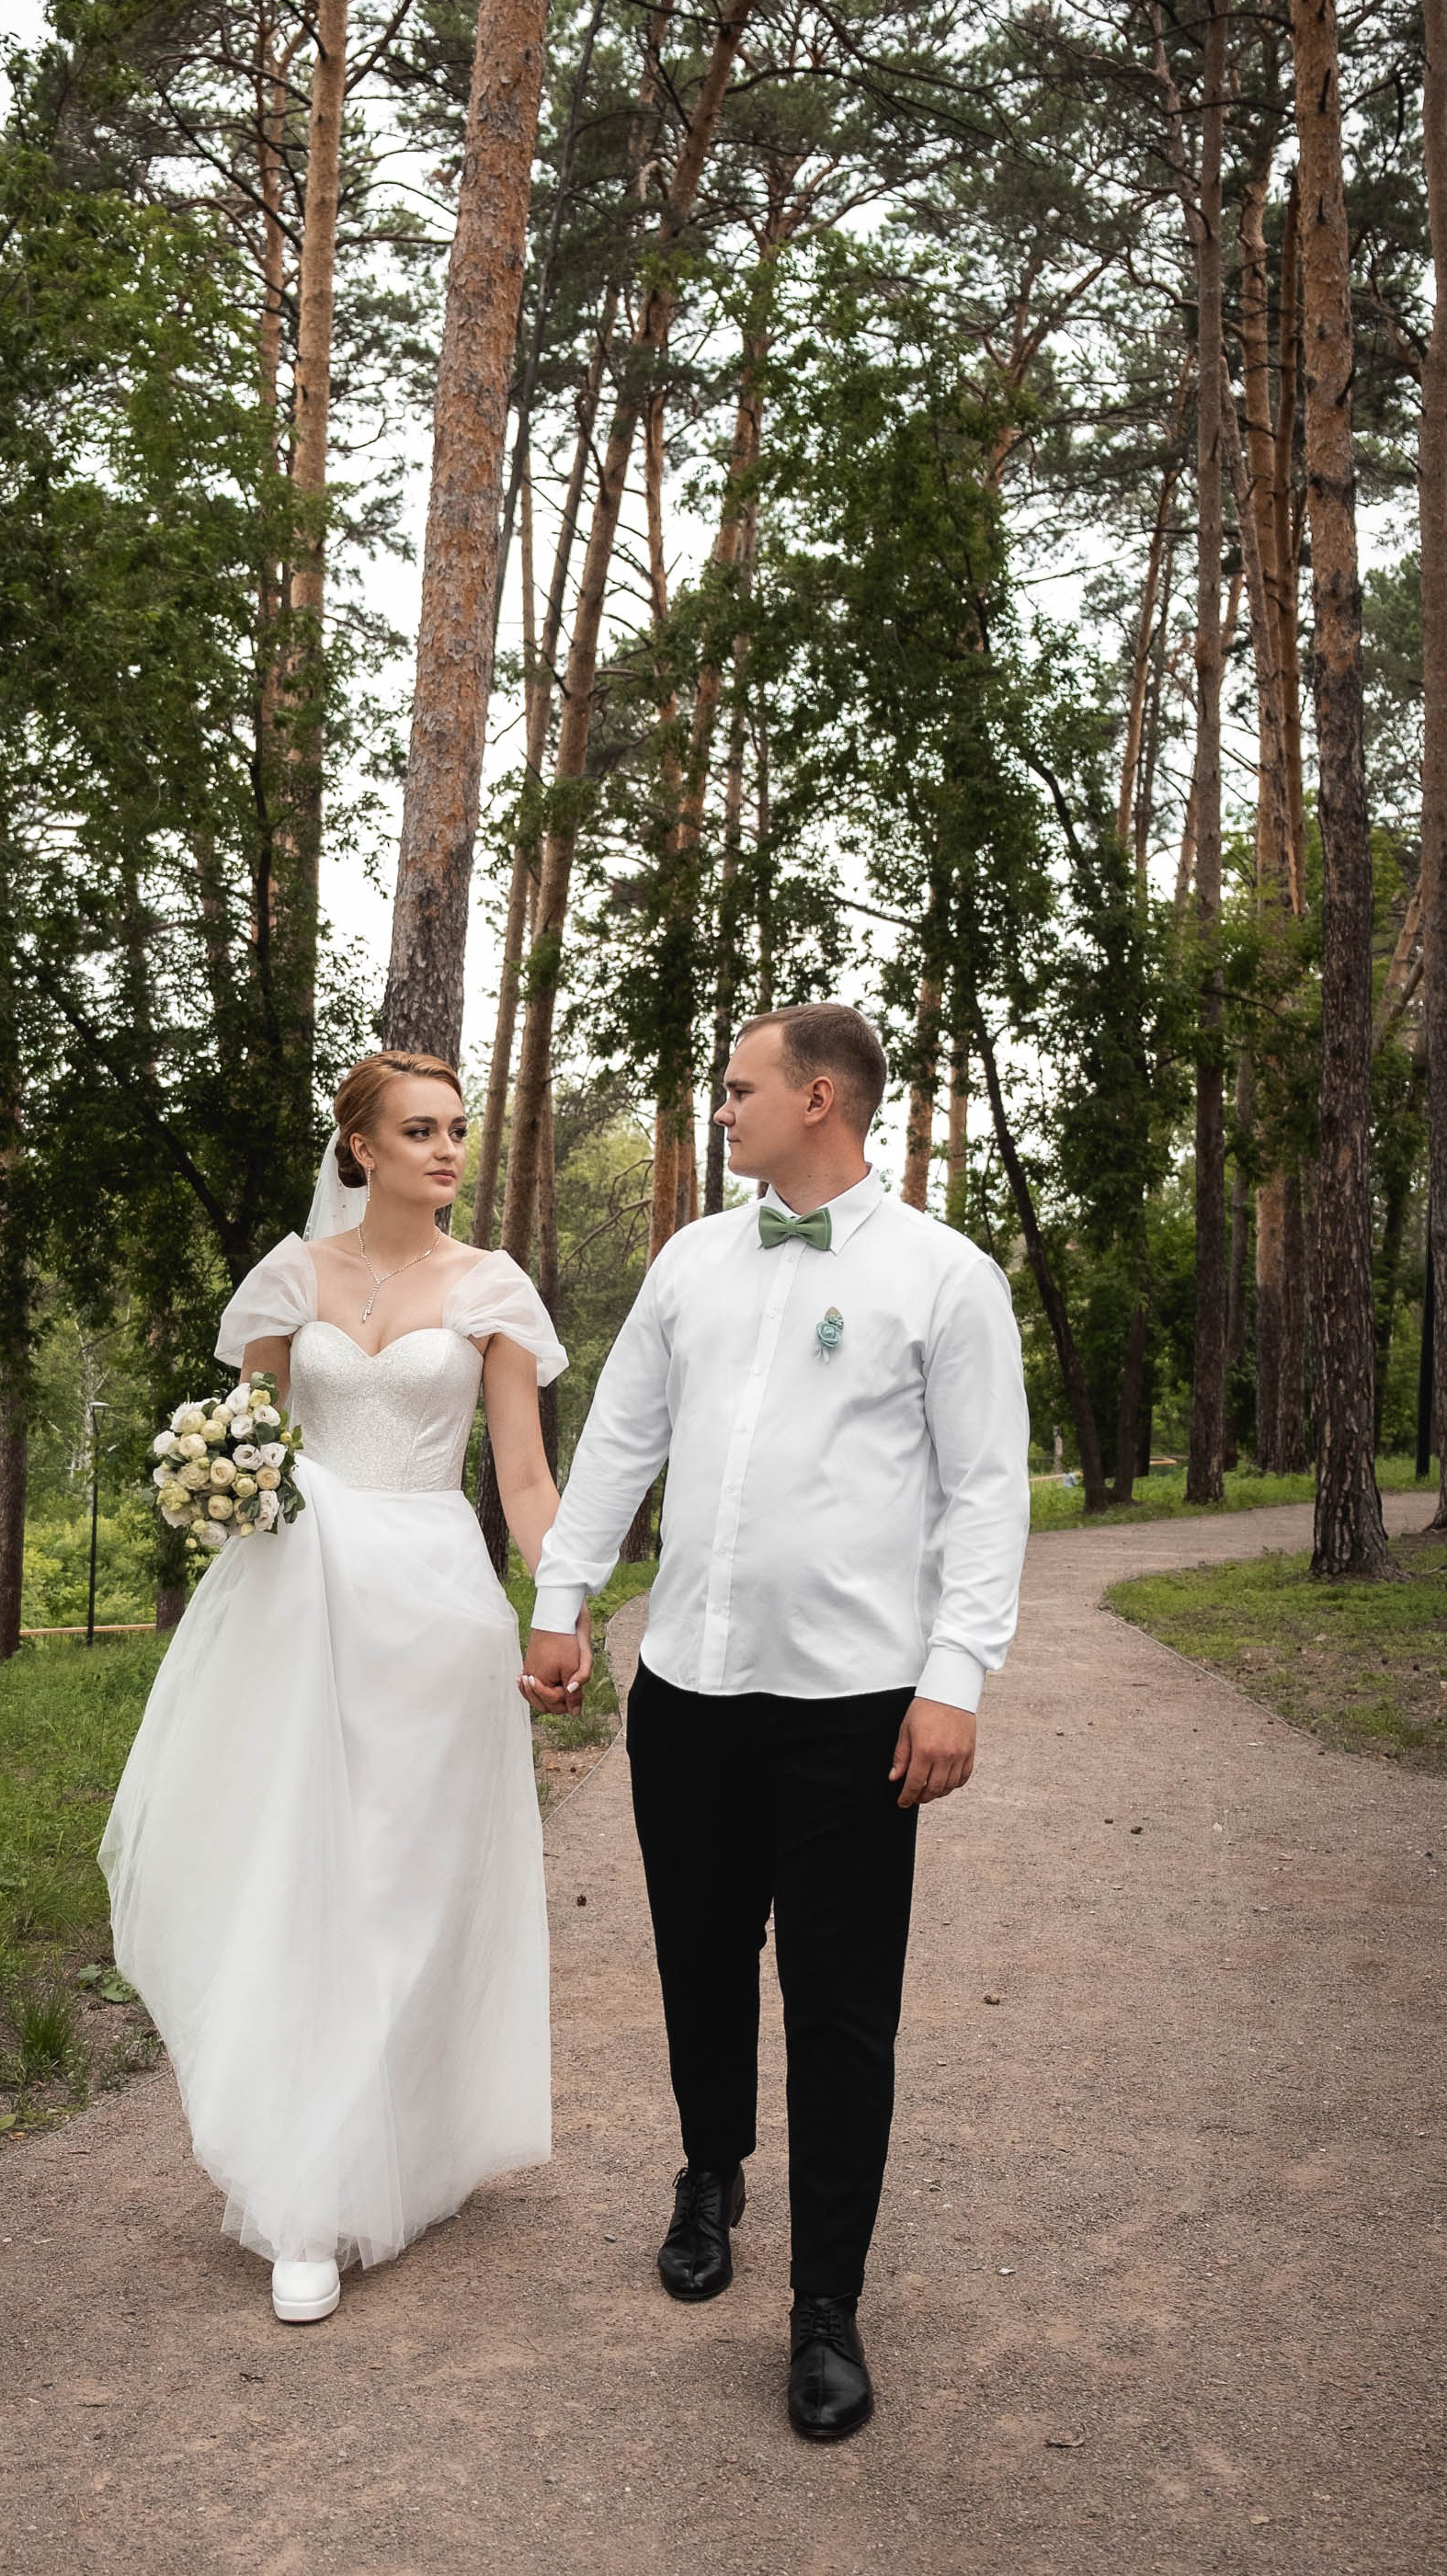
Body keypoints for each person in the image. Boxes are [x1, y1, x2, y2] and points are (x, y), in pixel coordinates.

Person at [522, 1003, 1029, 2441]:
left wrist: (956, 1679)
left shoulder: (945, 1276)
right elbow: (620, 1438)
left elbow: (989, 1490)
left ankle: (826, 2305)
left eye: (737, 1087)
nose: (719, 1106)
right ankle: (708, 2167)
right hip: (687, 1682)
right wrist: (566, 1603)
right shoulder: (691, 1260)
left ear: (819, 1100)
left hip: (855, 1702)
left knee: (842, 2005)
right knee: (696, 1952)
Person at [102, 1050, 585, 2326]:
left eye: (458, 1130)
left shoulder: (493, 1289)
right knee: (300, 1870)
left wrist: (562, 1603)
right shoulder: (288, 1278)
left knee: (414, 1881)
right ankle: (306, 2194)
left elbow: (525, 1481)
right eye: (419, 1130)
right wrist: (214, 1492)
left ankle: (397, 2147)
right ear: (357, 1147)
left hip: (432, 1600)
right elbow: (247, 1443)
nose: (447, 1150)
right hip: (302, 1597)